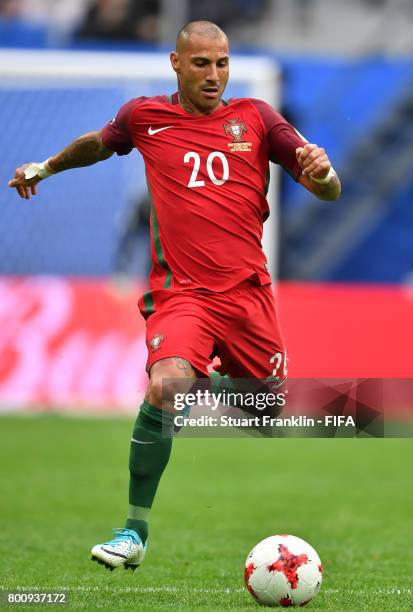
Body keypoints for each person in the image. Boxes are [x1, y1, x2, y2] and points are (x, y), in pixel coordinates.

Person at [8, 20, 341, 572]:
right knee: (166, 386)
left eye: (223, 64)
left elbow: (328, 189)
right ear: (176, 63)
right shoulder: (145, 116)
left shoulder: (256, 119)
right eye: (202, 63)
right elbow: (98, 144)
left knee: (266, 412)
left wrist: (324, 175)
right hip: (182, 294)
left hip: (249, 297)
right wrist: (46, 166)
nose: (214, 75)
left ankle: (211, 385)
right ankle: (133, 531)